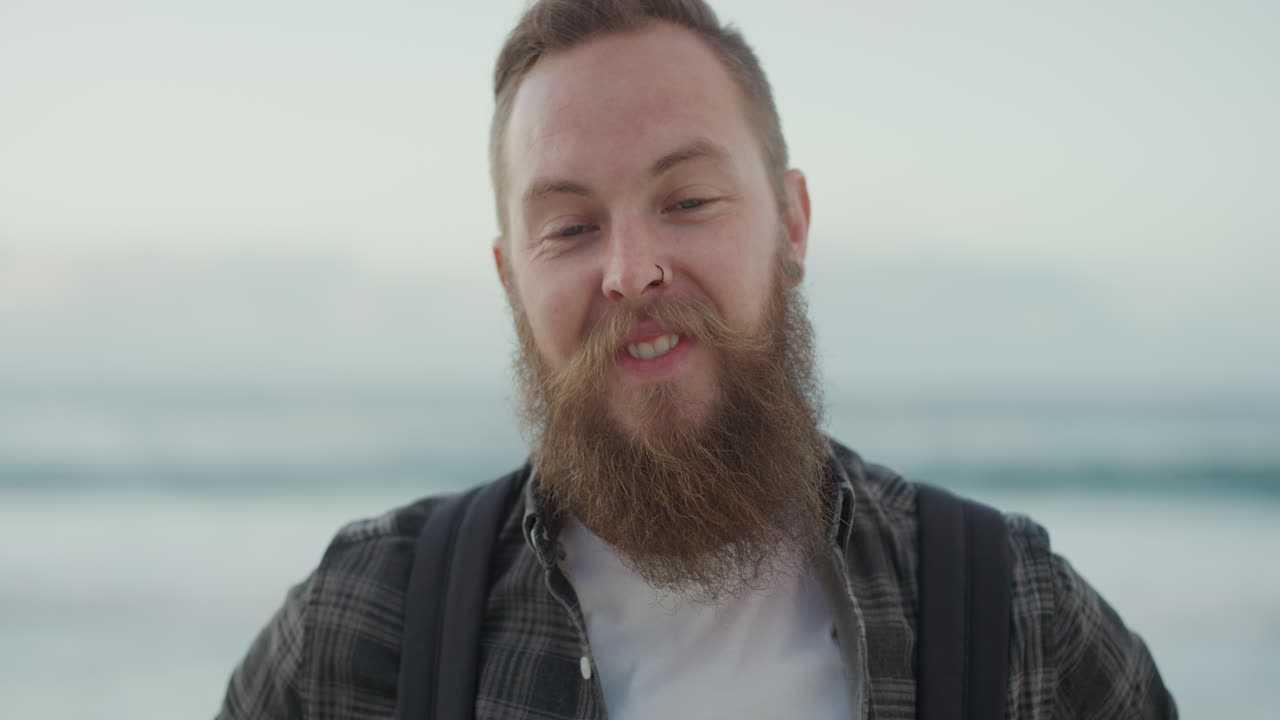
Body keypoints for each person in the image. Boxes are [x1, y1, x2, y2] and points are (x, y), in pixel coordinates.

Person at [218, 1, 1176, 718]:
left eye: (687, 201)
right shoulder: (359, 625)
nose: (632, 272)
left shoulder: (1013, 611)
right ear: (512, 278)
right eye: (571, 226)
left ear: (791, 223)